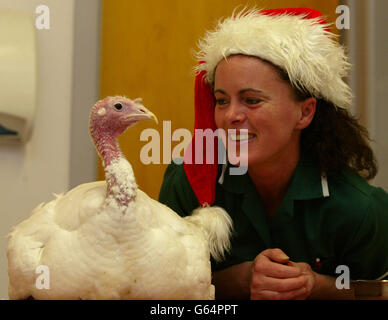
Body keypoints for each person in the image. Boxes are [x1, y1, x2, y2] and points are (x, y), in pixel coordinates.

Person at [158, 7, 388, 299]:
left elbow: (376, 293)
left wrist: (316, 286)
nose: (230, 116)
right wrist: (240, 279)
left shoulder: (360, 208)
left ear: (305, 113)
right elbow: (159, 292)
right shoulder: (187, 181)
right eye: (221, 100)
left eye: (252, 100)